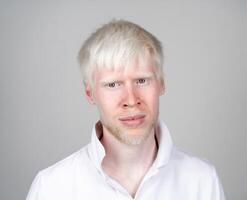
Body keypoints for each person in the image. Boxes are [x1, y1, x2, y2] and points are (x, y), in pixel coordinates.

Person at [26, 20, 225, 200]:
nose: (131, 100)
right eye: (113, 85)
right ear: (90, 93)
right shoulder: (51, 188)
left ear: (161, 84)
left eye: (141, 80)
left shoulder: (202, 181)